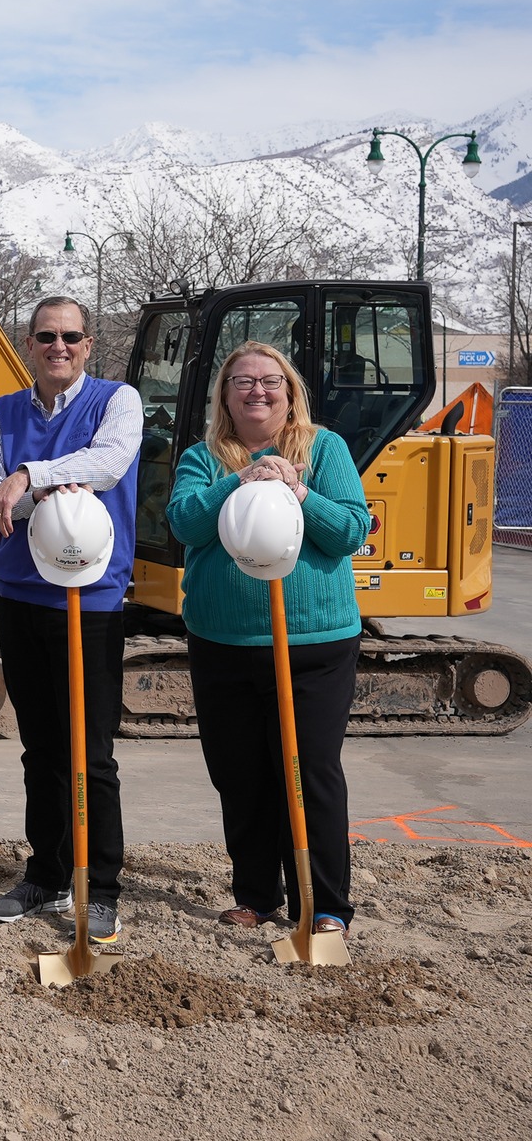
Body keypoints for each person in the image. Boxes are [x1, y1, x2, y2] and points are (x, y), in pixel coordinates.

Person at [167, 340, 368, 938]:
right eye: (243, 381)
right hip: (223, 642)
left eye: (270, 381)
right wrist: (241, 480)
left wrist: (298, 491)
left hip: (314, 643)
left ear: (289, 392)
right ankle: (256, 893)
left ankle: (323, 903)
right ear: (225, 396)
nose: (258, 390)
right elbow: (184, 524)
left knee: (310, 772)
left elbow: (350, 530)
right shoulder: (204, 457)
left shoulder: (323, 449)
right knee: (240, 774)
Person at [0, 295, 141, 942]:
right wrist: (26, 485)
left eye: (70, 336)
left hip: (89, 600)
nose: (58, 346)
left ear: (88, 344)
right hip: (20, 596)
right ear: (29, 345)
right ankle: (46, 874)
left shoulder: (117, 401)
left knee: (90, 752)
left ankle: (101, 887)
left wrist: (25, 477)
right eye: (46, 336)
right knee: (40, 748)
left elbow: (108, 464)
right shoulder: (4, 411)